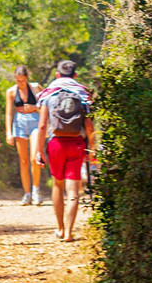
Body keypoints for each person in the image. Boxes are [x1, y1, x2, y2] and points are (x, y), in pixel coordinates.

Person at [38, 57, 96, 242]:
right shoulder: (82, 93)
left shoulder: (49, 93)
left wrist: (39, 150)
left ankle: (60, 228)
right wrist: (92, 149)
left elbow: (41, 126)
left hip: (56, 144)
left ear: (57, 74)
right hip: (76, 143)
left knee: (58, 184)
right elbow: (89, 125)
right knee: (73, 190)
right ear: (75, 75)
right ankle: (70, 232)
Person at [7, 65, 44, 204]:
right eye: (17, 80)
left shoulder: (35, 88)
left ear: (27, 78)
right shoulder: (11, 91)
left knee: (35, 158)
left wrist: (34, 107)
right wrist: (8, 132)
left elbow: (44, 104)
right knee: (23, 161)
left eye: (22, 80)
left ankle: (36, 189)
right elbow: (9, 112)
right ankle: (27, 193)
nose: (20, 83)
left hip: (34, 120)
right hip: (19, 122)